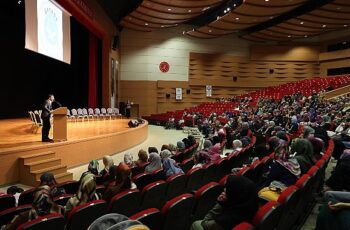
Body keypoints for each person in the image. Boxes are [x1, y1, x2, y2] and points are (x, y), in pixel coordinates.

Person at [191, 176, 258, 230]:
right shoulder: (249, 203)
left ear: (235, 195)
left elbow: (205, 223)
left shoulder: (226, 220)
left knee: (196, 224)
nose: (224, 189)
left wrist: (220, 204)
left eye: (227, 190)